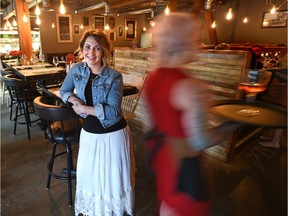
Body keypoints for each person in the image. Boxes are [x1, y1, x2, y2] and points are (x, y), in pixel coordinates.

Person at [143, 13, 241, 216]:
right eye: (196, 40)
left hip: (162, 156)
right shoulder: (189, 86)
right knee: (185, 207)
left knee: (169, 204)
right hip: (183, 164)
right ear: (183, 43)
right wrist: (233, 123)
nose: (200, 45)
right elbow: (200, 141)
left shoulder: (151, 78)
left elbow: (151, 124)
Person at [60, 29, 135, 216]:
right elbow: (64, 91)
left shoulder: (114, 76)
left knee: (110, 181)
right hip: (90, 134)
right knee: (92, 179)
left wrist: (84, 109)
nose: (91, 53)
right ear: (81, 49)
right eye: (87, 47)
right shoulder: (76, 69)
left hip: (113, 135)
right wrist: (73, 100)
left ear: (104, 52)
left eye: (97, 48)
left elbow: (113, 112)